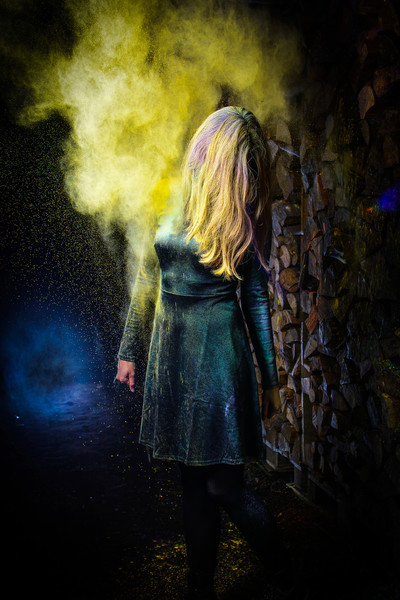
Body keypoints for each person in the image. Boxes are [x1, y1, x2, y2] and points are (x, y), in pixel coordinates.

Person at [116, 107, 292, 600]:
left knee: (223, 488)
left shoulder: (242, 211)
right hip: (171, 350)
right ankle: (200, 590)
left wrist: (271, 380)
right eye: (236, 164)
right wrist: (128, 349)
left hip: (217, 358)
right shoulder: (171, 193)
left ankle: (286, 576)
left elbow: (255, 298)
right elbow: (147, 276)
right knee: (192, 485)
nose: (242, 177)